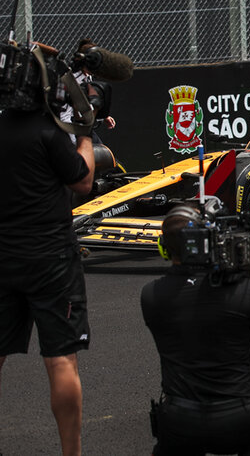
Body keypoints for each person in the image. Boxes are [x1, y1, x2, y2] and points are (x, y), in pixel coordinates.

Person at [141, 206, 250, 455]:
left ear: (164, 248)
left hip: (179, 421)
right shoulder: (242, 292)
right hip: (238, 420)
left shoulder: (151, 296)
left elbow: (198, 305)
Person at [0, 93, 96, 456]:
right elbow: (82, 181)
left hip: (4, 254)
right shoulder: (47, 132)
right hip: (51, 259)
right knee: (60, 358)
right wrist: (85, 134)